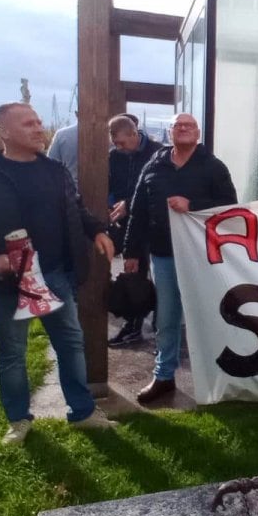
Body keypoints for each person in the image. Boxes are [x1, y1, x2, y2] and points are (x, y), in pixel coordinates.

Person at [0, 102, 117, 444]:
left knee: (70, 344)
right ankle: (18, 421)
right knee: (12, 353)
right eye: (28, 123)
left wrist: (97, 230)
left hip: (56, 276)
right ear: (3, 132)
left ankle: (82, 413)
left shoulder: (54, 171)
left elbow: (76, 208)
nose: (39, 128)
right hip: (9, 284)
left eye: (39, 122)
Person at [122, 113, 237, 405]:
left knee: (209, 314)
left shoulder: (213, 167)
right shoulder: (154, 166)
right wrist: (131, 252)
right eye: (178, 126)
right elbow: (138, 211)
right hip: (164, 255)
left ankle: (219, 375)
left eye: (189, 125)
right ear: (170, 132)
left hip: (204, 257)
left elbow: (230, 209)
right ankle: (163, 376)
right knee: (167, 317)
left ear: (197, 133)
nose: (183, 129)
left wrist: (193, 205)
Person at [106, 114, 162, 347]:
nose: (119, 148)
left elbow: (158, 191)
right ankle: (133, 325)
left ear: (133, 134)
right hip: (125, 224)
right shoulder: (114, 156)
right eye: (115, 144)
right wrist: (110, 203)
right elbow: (108, 185)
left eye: (121, 142)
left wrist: (128, 203)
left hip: (152, 225)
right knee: (134, 276)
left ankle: (161, 327)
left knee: (160, 276)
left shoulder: (158, 153)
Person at [47, 114, 79, 184]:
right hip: (102, 189)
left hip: (69, 188)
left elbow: (50, 165)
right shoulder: (106, 135)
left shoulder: (62, 134)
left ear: (76, 114)